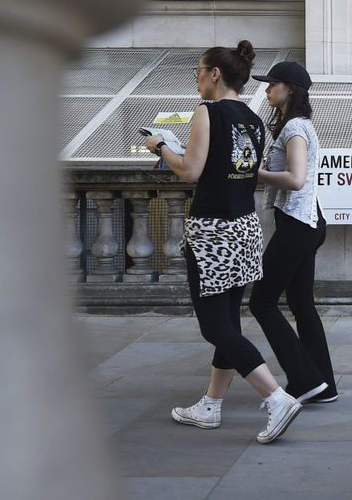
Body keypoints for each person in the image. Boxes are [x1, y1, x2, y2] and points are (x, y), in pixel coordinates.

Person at [144, 41, 303, 445]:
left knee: (215, 326)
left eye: (199, 70)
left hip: (212, 232)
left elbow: (192, 171)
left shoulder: (207, 112)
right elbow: (237, 171)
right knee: (228, 320)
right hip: (244, 228)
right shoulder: (251, 117)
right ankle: (211, 405)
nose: (197, 78)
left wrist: (161, 147)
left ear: (216, 74)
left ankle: (276, 397)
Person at [251, 60, 338, 404]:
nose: (267, 89)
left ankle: (303, 380)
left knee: (262, 302)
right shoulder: (296, 125)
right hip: (306, 221)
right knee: (301, 303)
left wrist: (256, 175)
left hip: (299, 223)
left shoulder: (295, 129)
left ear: (289, 88)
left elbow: (297, 178)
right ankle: (323, 385)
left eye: (272, 83)